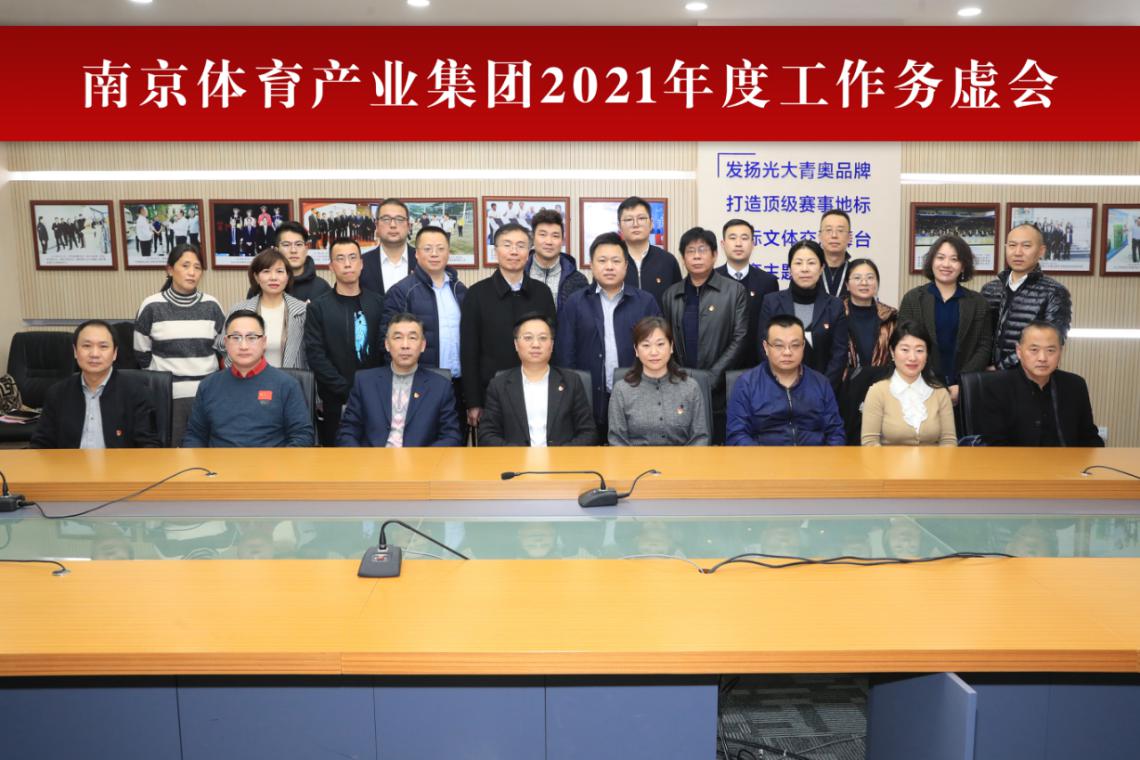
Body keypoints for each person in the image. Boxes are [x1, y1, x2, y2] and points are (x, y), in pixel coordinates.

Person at [554, 232, 660, 432]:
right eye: (602, 261)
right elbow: (565, 355)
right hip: (587, 400)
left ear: (626, 266)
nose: (609, 267)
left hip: (637, 397)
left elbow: (658, 353)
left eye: (616, 261)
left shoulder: (645, 302)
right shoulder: (575, 303)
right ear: (591, 265)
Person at [460, 223, 557, 432]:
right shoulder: (476, 294)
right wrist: (473, 401)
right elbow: (469, 352)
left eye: (521, 246)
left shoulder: (542, 293)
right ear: (496, 251)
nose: (514, 251)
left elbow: (552, 345)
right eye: (507, 245)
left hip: (538, 391)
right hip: (491, 393)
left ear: (529, 252)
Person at [381, 225, 468, 440]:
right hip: (419, 385)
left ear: (448, 253)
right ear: (417, 254)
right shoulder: (401, 291)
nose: (434, 254)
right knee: (419, 445)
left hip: (458, 386)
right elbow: (387, 343)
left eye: (440, 248)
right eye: (428, 249)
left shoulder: (460, 290)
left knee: (454, 444)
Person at [661, 226, 748, 442]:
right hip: (679, 386)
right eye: (690, 251)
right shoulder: (671, 294)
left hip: (720, 388)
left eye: (702, 250)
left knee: (718, 445)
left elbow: (740, 337)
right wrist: (678, 375)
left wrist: (712, 377)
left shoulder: (734, 291)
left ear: (715, 255)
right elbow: (665, 340)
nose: (697, 256)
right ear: (683, 258)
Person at [134, 243, 225, 445]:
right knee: (173, 453)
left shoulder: (212, 305)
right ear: (169, 269)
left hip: (207, 394)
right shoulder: (151, 306)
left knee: (209, 452)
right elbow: (141, 352)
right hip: (167, 397)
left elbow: (223, 348)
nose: (192, 272)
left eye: (197, 267)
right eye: (185, 265)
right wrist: (161, 382)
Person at [182, 310, 313, 447]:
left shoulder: (287, 384)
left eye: (252, 337)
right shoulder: (208, 385)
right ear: (226, 342)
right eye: (236, 337)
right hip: (220, 460)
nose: (243, 346)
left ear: (264, 342)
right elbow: (195, 436)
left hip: (270, 460)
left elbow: (302, 436)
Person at [304, 237, 385, 445]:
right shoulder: (318, 308)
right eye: (340, 259)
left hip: (377, 396)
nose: (347, 264)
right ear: (331, 266)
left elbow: (385, 349)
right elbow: (316, 355)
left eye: (352, 257)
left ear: (361, 263)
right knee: (338, 456)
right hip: (335, 399)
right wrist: (345, 389)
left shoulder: (379, 303)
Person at [337, 312, 462, 447]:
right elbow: (347, 432)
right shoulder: (365, 382)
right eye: (398, 337)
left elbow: (451, 436)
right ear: (387, 344)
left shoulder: (440, 386)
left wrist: (424, 458)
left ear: (423, 345)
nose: (405, 345)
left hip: (420, 459)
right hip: (373, 458)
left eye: (412, 338)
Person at [31, 320, 159, 449]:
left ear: (114, 353)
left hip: (120, 462)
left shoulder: (137, 393)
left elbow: (148, 445)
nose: (94, 354)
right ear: (75, 351)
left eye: (103, 346)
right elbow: (41, 444)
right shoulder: (57, 393)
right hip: (70, 462)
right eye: (87, 346)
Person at [898, 235, 992, 405]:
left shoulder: (978, 303)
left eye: (954, 259)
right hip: (920, 388)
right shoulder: (912, 299)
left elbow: (984, 347)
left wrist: (962, 383)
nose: (946, 264)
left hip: (964, 390)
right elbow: (903, 344)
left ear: (963, 266)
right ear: (931, 261)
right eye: (940, 257)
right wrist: (929, 382)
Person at [478, 314, 597, 446]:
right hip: (515, 458)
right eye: (528, 338)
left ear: (552, 344)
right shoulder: (499, 385)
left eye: (543, 338)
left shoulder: (571, 382)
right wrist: (519, 454)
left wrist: (560, 455)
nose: (536, 344)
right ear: (516, 344)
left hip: (562, 458)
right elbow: (487, 434)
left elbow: (588, 432)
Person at [726, 314, 845, 446]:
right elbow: (737, 435)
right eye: (779, 346)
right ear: (766, 347)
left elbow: (835, 433)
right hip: (764, 456)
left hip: (814, 456)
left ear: (803, 346)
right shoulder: (747, 384)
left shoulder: (821, 383)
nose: (787, 352)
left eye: (795, 345)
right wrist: (763, 458)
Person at [980, 321, 1103, 447]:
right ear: (1019, 351)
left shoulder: (1075, 385)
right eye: (1034, 350)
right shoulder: (997, 387)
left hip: (1066, 459)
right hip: (1015, 459)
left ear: (1060, 352)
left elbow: (1089, 438)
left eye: (1050, 350)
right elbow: (994, 444)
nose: (1042, 358)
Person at [981, 223, 1072, 369]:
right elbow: (980, 337)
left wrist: (1001, 368)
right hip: (987, 375)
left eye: (1026, 246)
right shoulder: (990, 290)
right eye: (1012, 245)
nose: (1018, 252)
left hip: (1028, 376)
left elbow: (1052, 340)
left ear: (1041, 251)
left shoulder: (1054, 292)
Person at [758, 240, 848, 388]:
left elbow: (839, 355)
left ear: (821, 268)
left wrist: (822, 388)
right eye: (798, 263)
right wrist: (782, 386)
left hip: (823, 391)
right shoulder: (771, 302)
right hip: (778, 389)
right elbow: (764, 349)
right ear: (790, 269)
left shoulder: (835, 305)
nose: (805, 269)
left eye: (811, 263)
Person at [608, 316, 708, 446]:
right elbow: (617, 441)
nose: (654, 352)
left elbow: (700, 438)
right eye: (646, 345)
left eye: (660, 344)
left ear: (671, 347)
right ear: (636, 350)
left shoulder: (690, 387)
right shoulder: (622, 390)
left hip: (683, 459)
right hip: (636, 459)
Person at [860, 321, 957, 447]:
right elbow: (870, 443)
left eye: (919, 350)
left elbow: (949, 441)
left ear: (927, 354)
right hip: (887, 460)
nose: (912, 357)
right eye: (905, 350)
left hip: (935, 460)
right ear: (892, 352)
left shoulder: (940, 393)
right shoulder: (877, 392)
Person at [228, 248, 308, 369]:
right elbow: (225, 348)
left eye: (279, 271)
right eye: (266, 271)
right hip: (249, 379)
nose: (273, 277)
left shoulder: (303, 311)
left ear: (287, 276)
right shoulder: (237, 311)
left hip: (291, 379)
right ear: (256, 277)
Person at [716, 218, 779, 367]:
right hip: (718, 365)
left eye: (744, 238)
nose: (738, 243)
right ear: (723, 244)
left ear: (753, 244)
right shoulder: (712, 280)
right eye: (732, 238)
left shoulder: (768, 282)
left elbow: (772, 328)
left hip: (757, 365)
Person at [618, 196, 681, 311]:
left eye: (641, 218)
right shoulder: (611, 262)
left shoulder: (668, 261)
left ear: (651, 223)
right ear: (619, 226)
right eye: (628, 220)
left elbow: (678, 305)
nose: (635, 224)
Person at [523, 208, 588, 311]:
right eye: (543, 235)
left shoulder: (578, 280)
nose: (549, 241)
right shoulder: (519, 274)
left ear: (562, 241)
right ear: (533, 238)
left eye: (555, 236)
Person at [842, 258, 897, 376]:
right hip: (845, 384)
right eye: (857, 278)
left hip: (882, 382)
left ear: (877, 284)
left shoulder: (891, 317)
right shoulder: (837, 314)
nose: (864, 282)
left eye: (870, 277)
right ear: (847, 285)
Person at [361, 198, 418, 296]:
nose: (393, 225)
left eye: (399, 219)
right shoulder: (361, 263)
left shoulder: (423, 261)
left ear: (408, 226)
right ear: (377, 225)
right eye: (386, 219)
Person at [274, 220, 331, 304]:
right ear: (276, 250)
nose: (293, 250)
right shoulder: (267, 286)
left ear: (306, 248)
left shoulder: (321, 288)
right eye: (286, 245)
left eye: (299, 244)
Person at [818, 209, 853, 300]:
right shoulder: (809, 272)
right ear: (820, 236)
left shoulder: (855, 272)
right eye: (828, 230)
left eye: (840, 230)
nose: (834, 235)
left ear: (849, 237)